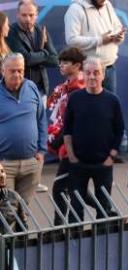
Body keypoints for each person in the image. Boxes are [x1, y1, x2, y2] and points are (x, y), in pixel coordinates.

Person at [61, 56, 123, 219]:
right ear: (83, 74)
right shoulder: (75, 99)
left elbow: (119, 129)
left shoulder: (113, 100)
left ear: (103, 75)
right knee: (75, 209)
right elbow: (67, 130)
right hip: (78, 164)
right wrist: (72, 156)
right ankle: (75, 242)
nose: (92, 76)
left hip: (103, 164)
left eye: (96, 72)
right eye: (88, 73)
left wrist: (112, 157)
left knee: (104, 209)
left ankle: (102, 242)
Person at [0, 53, 46, 207]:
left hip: (31, 163)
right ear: (3, 71)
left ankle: (24, 231)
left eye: (20, 70)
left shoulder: (32, 88)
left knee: (24, 211)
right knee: (7, 212)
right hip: (5, 165)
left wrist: (41, 151)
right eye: (12, 71)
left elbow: (41, 119)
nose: (17, 74)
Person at [45, 46, 85, 221]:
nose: (60, 65)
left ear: (77, 66)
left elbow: (73, 122)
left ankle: (60, 227)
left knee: (60, 188)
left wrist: (57, 140)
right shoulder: (64, 88)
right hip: (66, 146)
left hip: (75, 147)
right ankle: (67, 227)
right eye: (60, 62)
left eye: (66, 62)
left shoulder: (80, 90)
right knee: (73, 187)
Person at [63, 0, 124, 94]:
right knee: (88, 107)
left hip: (109, 68)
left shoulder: (107, 4)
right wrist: (100, 40)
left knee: (109, 106)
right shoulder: (75, 9)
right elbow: (71, 40)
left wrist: (119, 36)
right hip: (87, 71)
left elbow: (118, 27)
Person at [12, 2, 57, 95]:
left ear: (36, 14)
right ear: (17, 15)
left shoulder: (41, 30)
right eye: (24, 15)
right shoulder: (12, 31)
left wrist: (36, 57)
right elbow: (26, 59)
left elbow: (55, 60)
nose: (27, 19)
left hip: (41, 89)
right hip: (20, 89)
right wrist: (44, 52)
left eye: (31, 15)